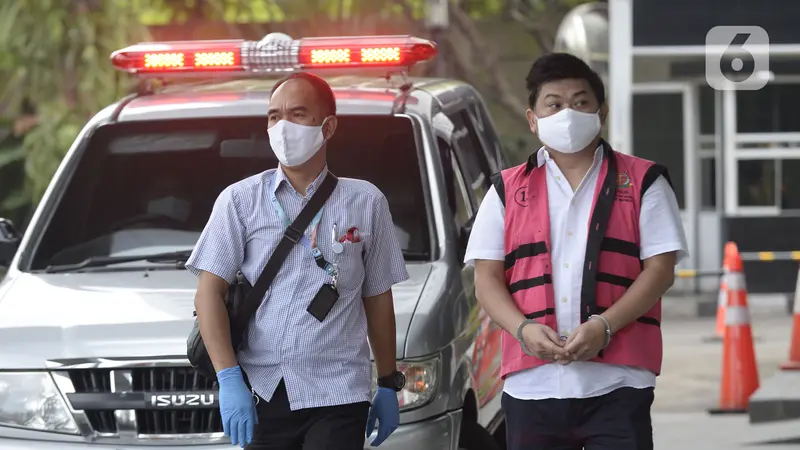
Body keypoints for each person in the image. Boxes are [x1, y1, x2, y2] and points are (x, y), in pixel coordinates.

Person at [464, 53, 688, 450]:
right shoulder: (504, 191)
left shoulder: (643, 181)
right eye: (554, 104)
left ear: (601, 113)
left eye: (580, 102)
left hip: (619, 384)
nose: (568, 113)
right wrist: (523, 329)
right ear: (533, 119)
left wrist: (605, 326)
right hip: (532, 387)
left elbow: (660, 270)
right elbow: (486, 280)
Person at [186, 72, 409, 450]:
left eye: (297, 114)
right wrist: (228, 377)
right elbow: (208, 293)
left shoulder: (366, 201)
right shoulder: (240, 201)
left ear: (328, 126)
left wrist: (388, 382)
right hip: (263, 390)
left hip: (338, 392)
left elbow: (377, 298)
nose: (283, 126)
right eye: (274, 116)